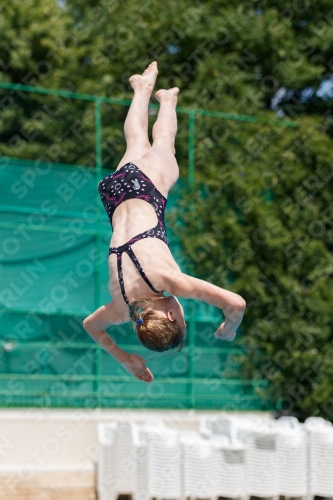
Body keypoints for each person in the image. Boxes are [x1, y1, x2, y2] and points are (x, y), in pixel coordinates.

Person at [83, 61, 246, 383]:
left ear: (172, 315)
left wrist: (230, 326)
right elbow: (91, 325)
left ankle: (168, 98)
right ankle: (141, 89)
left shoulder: (168, 281)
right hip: (115, 193)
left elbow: (236, 303)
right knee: (136, 144)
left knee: (163, 146)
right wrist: (123, 357)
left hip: (146, 190)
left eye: (182, 320)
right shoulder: (121, 307)